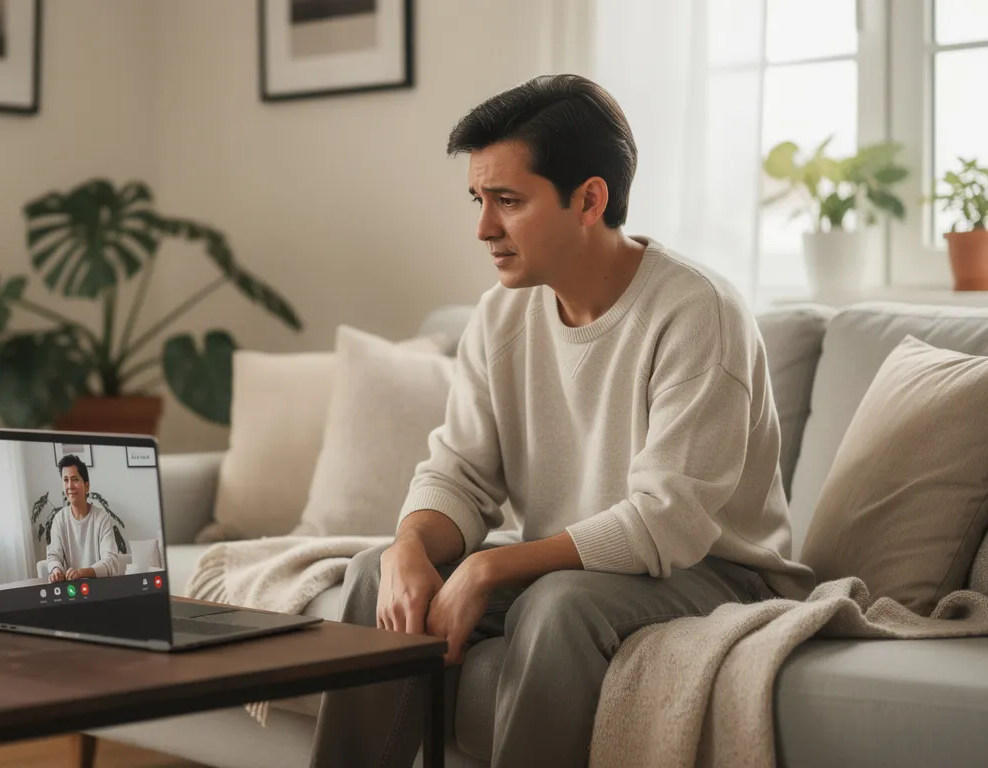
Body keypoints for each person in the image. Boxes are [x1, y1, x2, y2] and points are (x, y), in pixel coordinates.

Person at [309, 74, 816, 768]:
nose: (484, 228)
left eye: (509, 201)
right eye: (479, 200)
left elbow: (667, 522)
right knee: (374, 574)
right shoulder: (500, 314)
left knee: (558, 605)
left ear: (589, 200)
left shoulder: (698, 312)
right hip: (576, 566)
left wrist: (488, 567)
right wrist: (407, 546)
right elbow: (458, 475)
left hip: (718, 572)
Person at [45, 455, 121, 583]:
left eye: (75, 479)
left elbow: (111, 562)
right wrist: (56, 570)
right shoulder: (59, 519)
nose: (70, 486)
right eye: (65, 480)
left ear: (87, 486)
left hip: (99, 587)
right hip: (72, 589)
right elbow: (53, 556)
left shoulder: (102, 518)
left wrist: (80, 573)